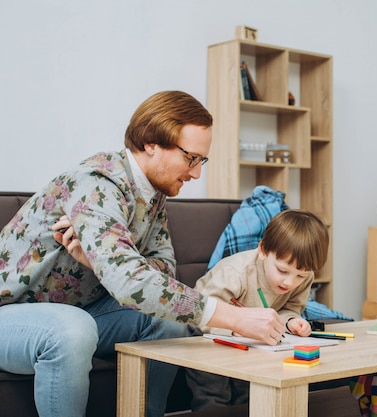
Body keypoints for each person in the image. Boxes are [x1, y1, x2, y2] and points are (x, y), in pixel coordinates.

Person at [0, 90, 284, 417]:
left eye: (201, 161)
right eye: (191, 158)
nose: (196, 173)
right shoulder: (97, 182)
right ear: (151, 143)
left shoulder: (153, 195)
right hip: (13, 314)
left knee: (170, 324)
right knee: (72, 328)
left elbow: (162, 275)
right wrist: (234, 317)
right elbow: (130, 278)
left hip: (81, 309)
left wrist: (100, 260)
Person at [186, 208, 330, 410]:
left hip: (249, 341)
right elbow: (203, 313)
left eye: (300, 275)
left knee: (249, 393)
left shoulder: (305, 277)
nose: (290, 282)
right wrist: (235, 328)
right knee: (213, 395)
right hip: (205, 332)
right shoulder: (236, 272)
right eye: (282, 270)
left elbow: (290, 308)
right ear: (263, 251)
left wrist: (291, 322)